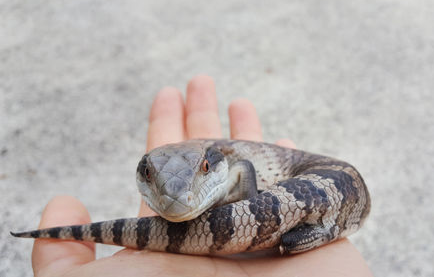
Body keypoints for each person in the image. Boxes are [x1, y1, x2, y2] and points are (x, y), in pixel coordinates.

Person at [31, 75, 373, 276]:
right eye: (150, 177)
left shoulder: (236, 166)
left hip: (338, 182)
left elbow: (250, 195)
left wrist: (248, 210)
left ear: (217, 164)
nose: (176, 199)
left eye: (206, 170)